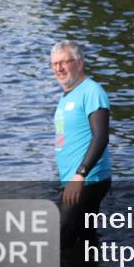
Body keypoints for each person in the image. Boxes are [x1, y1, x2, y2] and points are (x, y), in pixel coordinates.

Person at [50, 39, 112, 249]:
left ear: (79, 63)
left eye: (64, 62)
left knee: (56, 245)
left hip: (86, 180)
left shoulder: (91, 91)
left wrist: (80, 175)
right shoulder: (67, 96)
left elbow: (101, 136)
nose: (59, 68)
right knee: (84, 243)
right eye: (54, 64)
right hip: (77, 180)